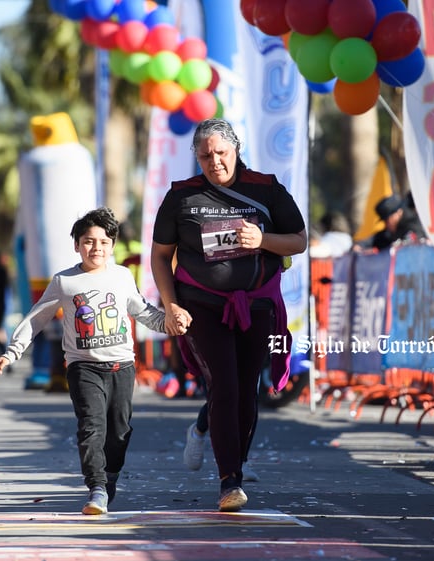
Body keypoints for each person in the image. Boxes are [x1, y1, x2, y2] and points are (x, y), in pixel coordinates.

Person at [151, 118, 307, 512]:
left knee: (245, 387)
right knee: (223, 383)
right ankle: (229, 480)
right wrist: (170, 305)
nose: (213, 161)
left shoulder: (265, 188)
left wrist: (263, 240)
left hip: (256, 303)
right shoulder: (181, 196)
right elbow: (159, 256)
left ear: (236, 149)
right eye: (204, 155)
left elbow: (300, 240)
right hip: (200, 305)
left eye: (220, 152)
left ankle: (230, 458)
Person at [0, 207, 189, 515]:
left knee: (120, 431)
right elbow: (37, 318)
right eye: (88, 241)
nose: (95, 248)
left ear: (112, 246)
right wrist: (12, 351)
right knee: (90, 427)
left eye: (103, 242)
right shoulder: (65, 281)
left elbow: (142, 311)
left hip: (122, 367)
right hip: (83, 367)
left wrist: (169, 324)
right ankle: (96, 487)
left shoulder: (122, 276)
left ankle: (109, 477)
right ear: (76, 245)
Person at [360, 194, 426, 251]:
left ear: (398, 213)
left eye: (387, 220)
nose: (386, 224)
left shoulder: (413, 225)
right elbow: (378, 238)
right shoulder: (392, 230)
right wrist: (361, 245)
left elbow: (410, 246)